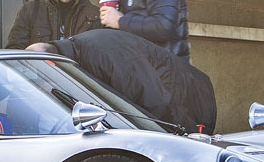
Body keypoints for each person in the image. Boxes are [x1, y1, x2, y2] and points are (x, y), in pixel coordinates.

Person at [28, 29, 216, 134]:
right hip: (170, 97)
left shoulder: (105, 56)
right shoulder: (76, 55)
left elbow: (156, 101)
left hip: (191, 97)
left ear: (51, 64)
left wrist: (185, 134)